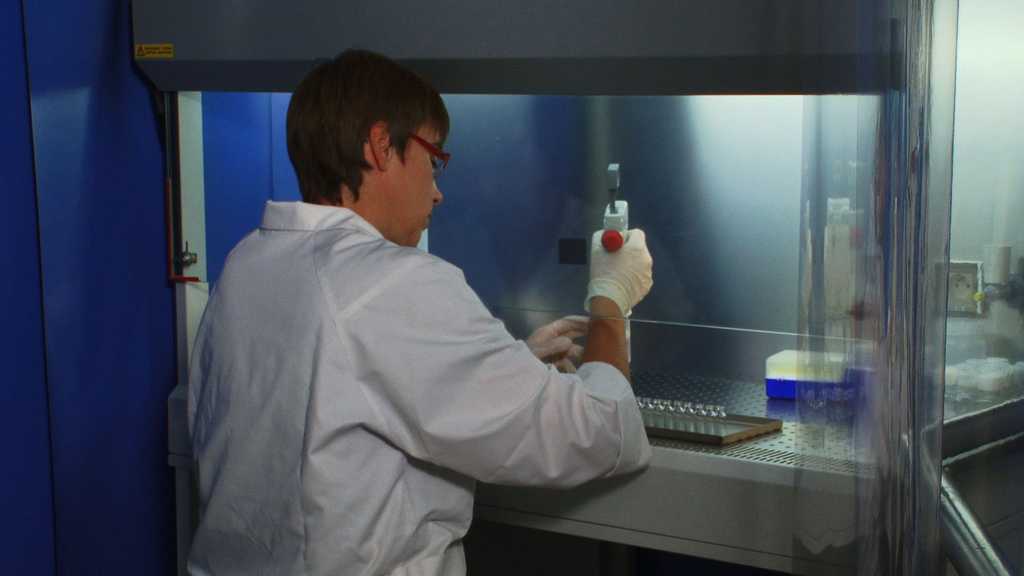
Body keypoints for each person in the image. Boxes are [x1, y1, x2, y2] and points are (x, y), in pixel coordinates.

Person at [187, 49, 654, 576]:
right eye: (434, 159)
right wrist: (610, 295)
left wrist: (512, 363)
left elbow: (338, 397)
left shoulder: (247, 263)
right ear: (381, 146)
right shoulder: (392, 280)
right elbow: (594, 431)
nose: (437, 192)